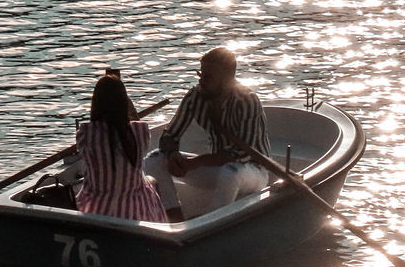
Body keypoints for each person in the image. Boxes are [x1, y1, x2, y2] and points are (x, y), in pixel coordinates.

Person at [144, 47, 270, 220]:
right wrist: (173, 155)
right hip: (218, 167)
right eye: (200, 75)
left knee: (230, 173)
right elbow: (169, 136)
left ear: (227, 80)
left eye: (208, 77)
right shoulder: (195, 96)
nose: (201, 81)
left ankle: (210, 223)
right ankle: (174, 216)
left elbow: (239, 155)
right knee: (155, 159)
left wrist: (193, 163)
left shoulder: (247, 100)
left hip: (253, 171)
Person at [74, 72, 166, 222]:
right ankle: (162, 222)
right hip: (135, 211)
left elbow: (86, 155)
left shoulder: (86, 134)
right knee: (151, 181)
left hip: (96, 210)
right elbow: (135, 130)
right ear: (124, 102)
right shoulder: (140, 131)